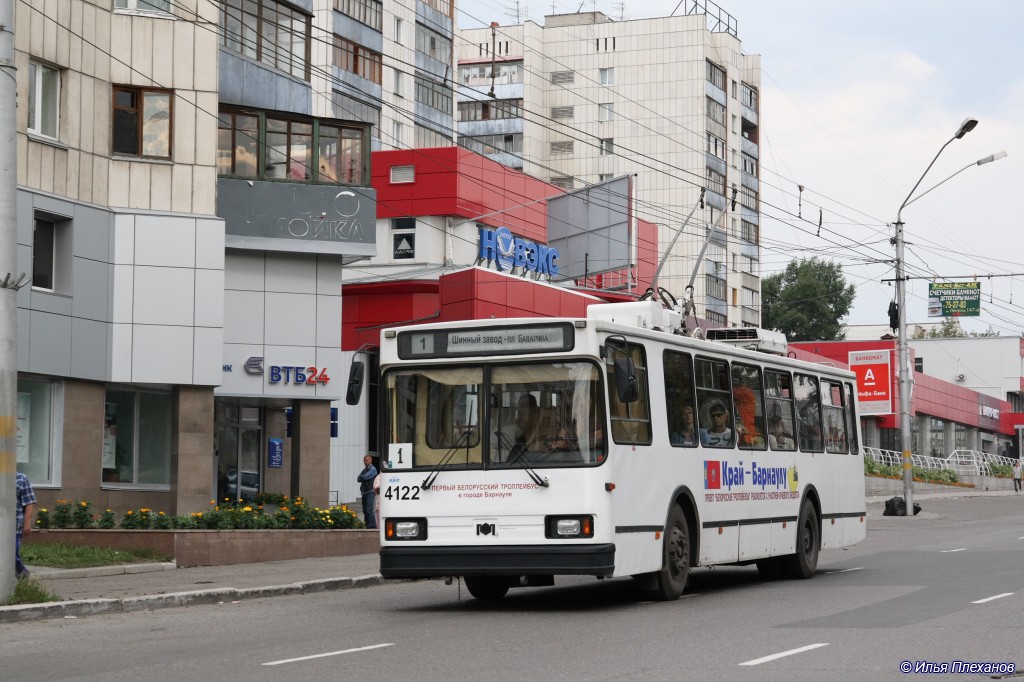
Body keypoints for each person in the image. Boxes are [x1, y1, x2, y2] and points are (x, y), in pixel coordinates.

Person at [15, 472, 37, 580]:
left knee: (11, 553)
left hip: (14, 526)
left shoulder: (21, 478)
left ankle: (22, 573)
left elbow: (29, 503)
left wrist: (27, 524)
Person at [357, 455, 378, 529]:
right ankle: (367, 525)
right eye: (364, 460)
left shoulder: (373, 469)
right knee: (365, 510)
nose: (365, 462)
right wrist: (363, 477)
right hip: (364, 492)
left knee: (369, 510)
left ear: (370, 460)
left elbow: (364, 477)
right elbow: (358, 478)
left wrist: (363, 477)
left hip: (370, 492)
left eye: (366, 460)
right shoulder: (365, 470)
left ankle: (372, 526)